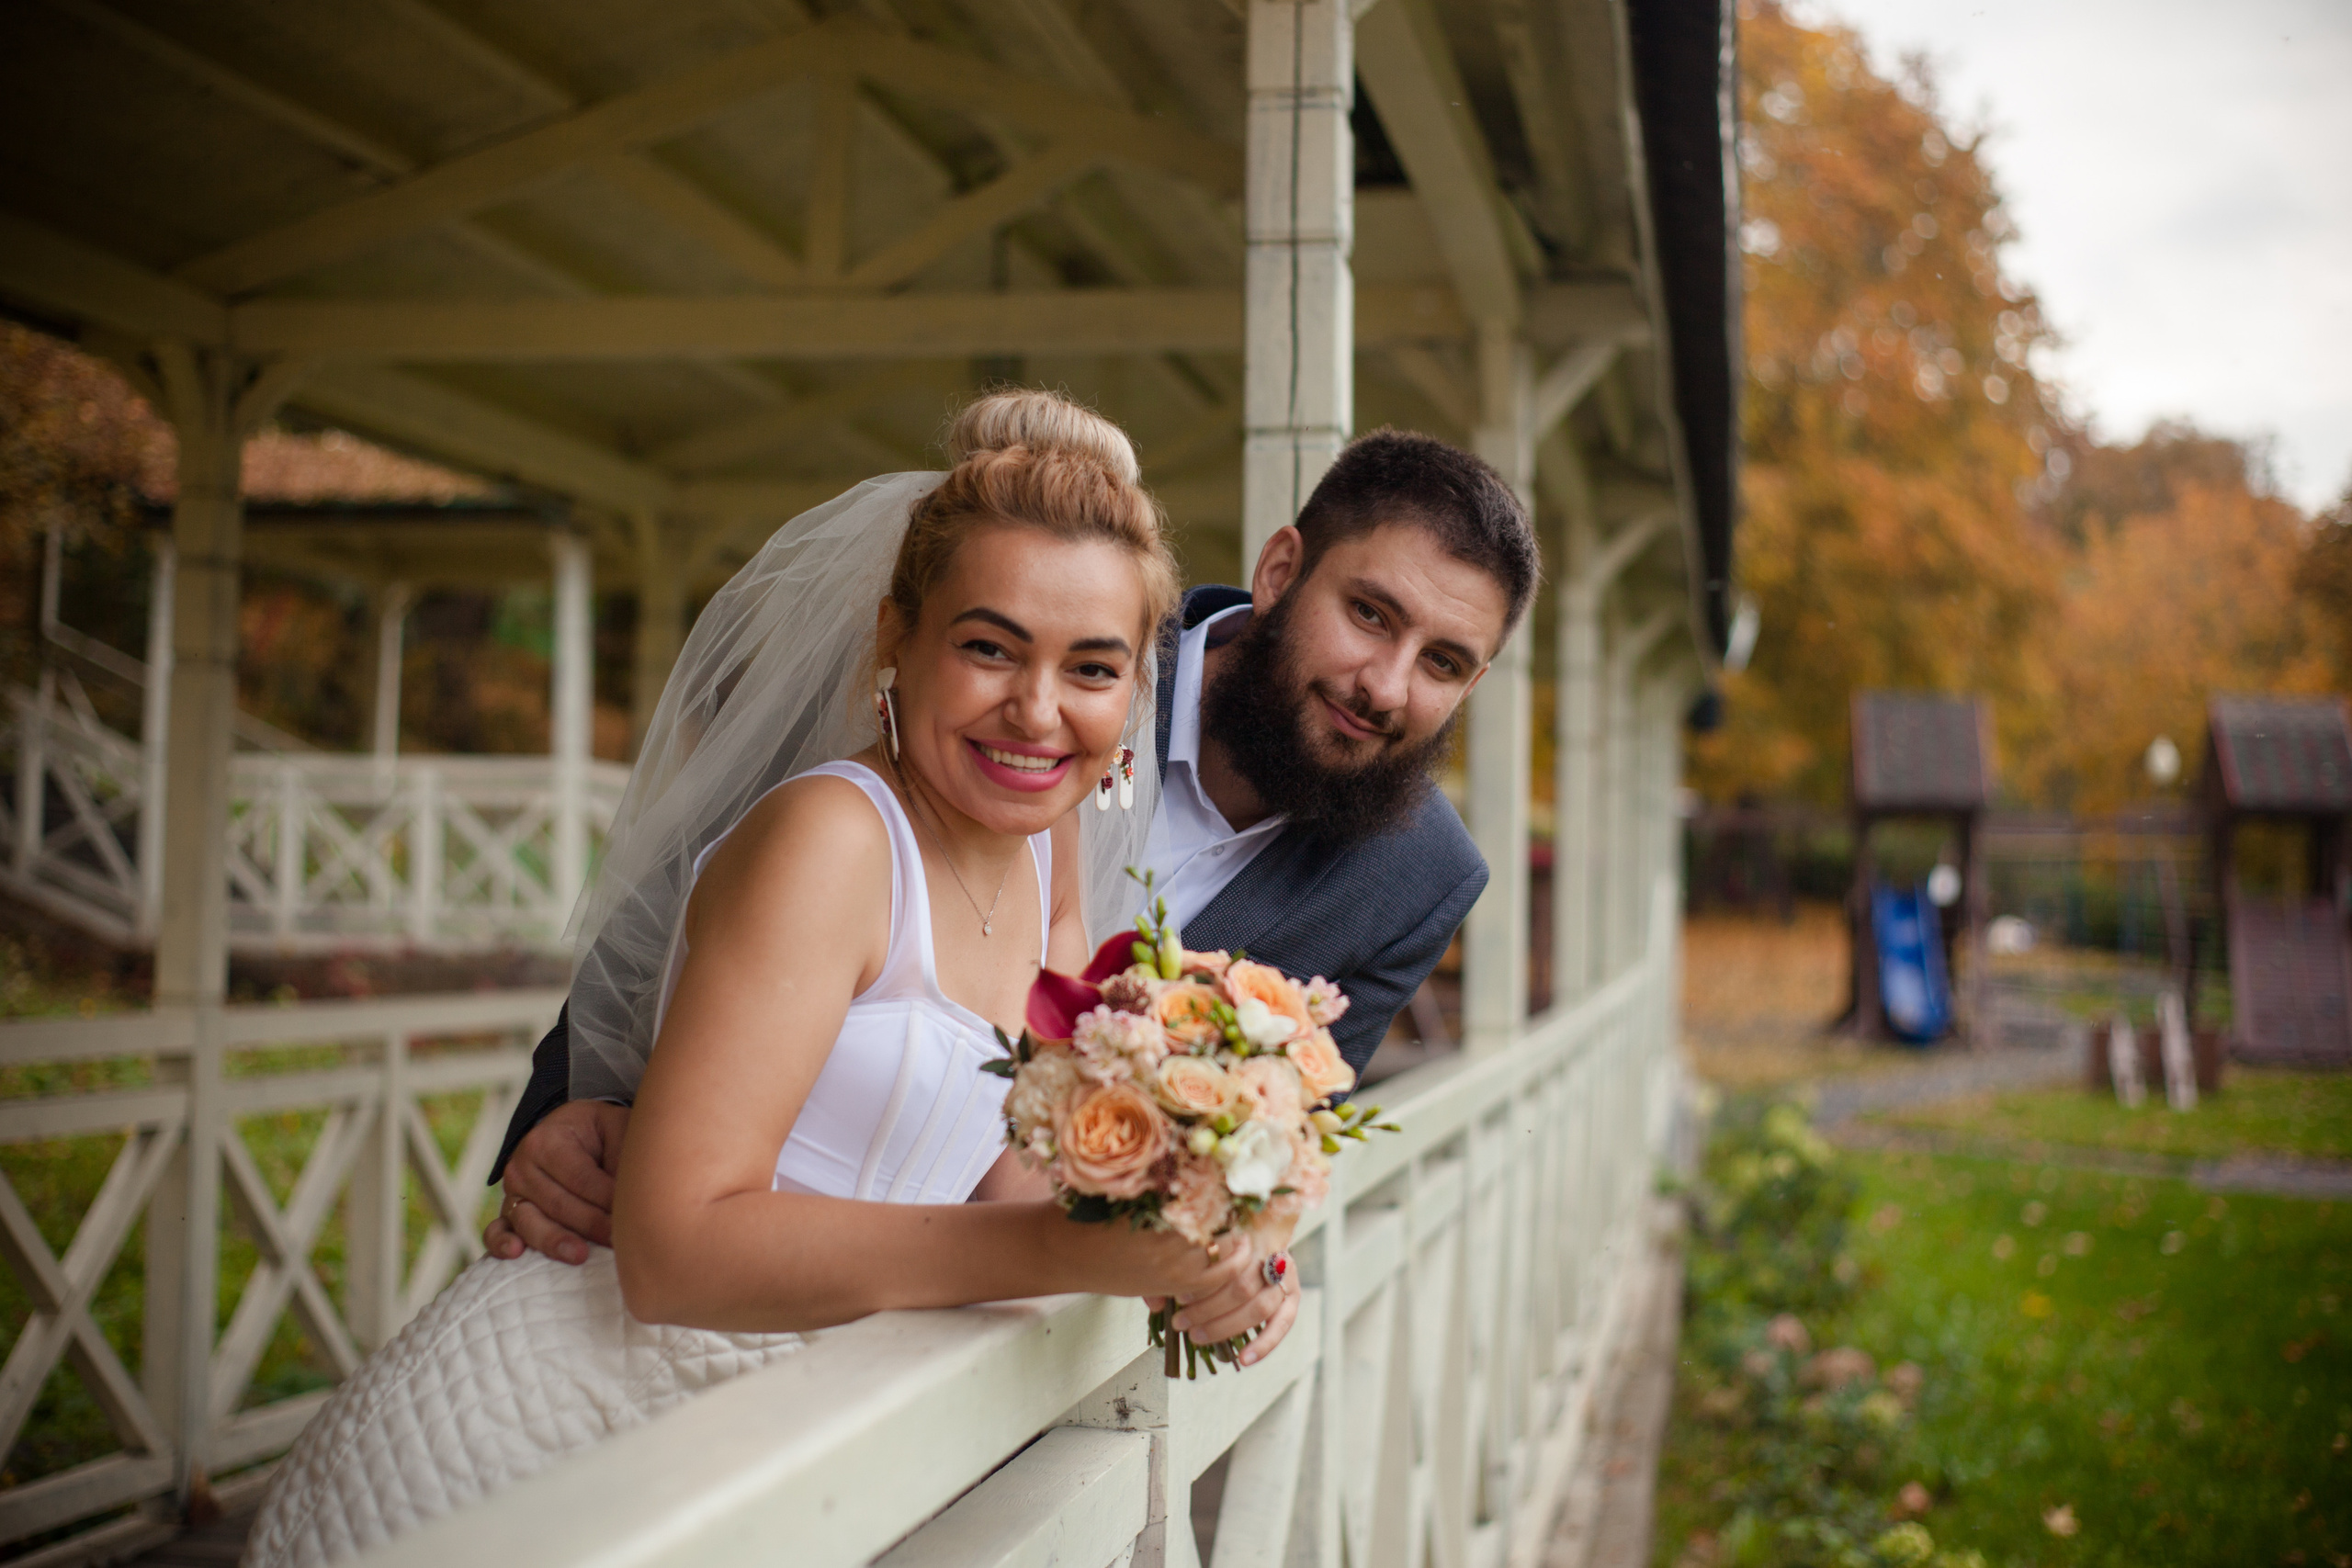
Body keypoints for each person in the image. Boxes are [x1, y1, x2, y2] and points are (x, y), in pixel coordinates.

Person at [246, 393, 1296, 1568]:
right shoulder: (831, 842)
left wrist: (1191, 1230)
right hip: (545, 1450)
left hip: (777, 1443)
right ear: (894, 637)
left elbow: (1007, 1174)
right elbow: (676, 1253)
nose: (1037, 711)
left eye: (1090, 667)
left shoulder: (1046, 840)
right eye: (988, 647)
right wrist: (1068, 1256)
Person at [490, 426, 1542, 1269]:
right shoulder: (1039, 655)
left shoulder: (1419, 881)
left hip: (957, 1343)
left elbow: (1272, 1146)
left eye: (1444, 662)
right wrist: (573, 1103)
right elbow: (708, 866)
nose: (1387, 685)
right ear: (1279, 571)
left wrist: (1242, 1269)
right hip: (703, 1248)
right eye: (1368, 614)